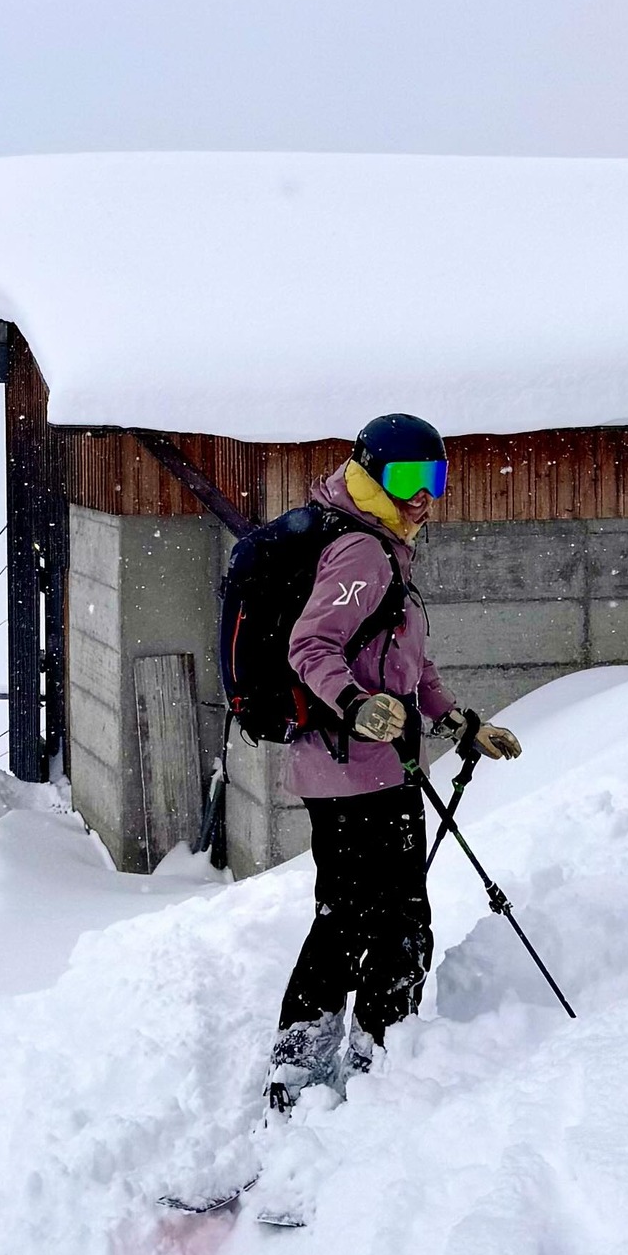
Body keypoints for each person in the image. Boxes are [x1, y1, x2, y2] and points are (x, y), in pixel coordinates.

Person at [265, 410, 521, 1123]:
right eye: (408, 478)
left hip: (367, 769)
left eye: (434, 477)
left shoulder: (380, 546)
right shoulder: (362, 554)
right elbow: (310, 646)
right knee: (383, 921)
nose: (423, 495)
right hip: (357, 774)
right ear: (372, 476)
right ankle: (359, 1063)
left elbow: (406, 663)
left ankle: (333, 1062)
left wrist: (458, 722)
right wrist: (355, 705)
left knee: (362, 917)